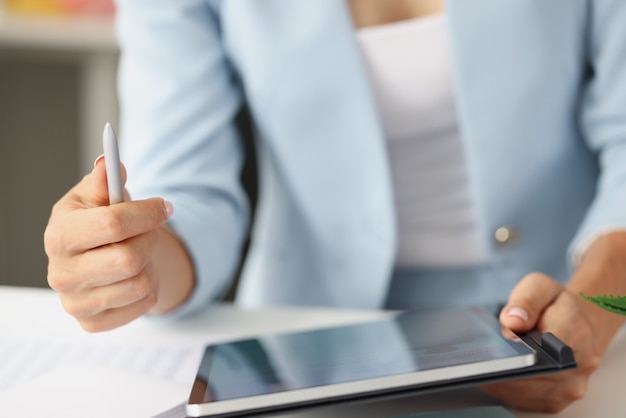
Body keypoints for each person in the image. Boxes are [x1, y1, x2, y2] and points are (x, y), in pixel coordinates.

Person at [44, 0, 626, 413]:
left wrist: (597, 306)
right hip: (301, 350)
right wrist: (136, 263)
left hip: (569, 329)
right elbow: (188, 192)